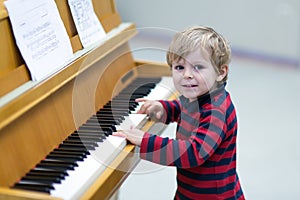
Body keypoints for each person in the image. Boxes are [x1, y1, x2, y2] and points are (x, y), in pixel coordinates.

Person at [113, 26, 245, 199]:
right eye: (180, 67)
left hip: (213, 196)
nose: (187, 75)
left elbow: (193, 152)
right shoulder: (197, 98)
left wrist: (146, 141)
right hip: (190, 191)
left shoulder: (216, 111)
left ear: (220, 73)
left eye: (198, 67)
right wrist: (164, 109)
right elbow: (182, 107)